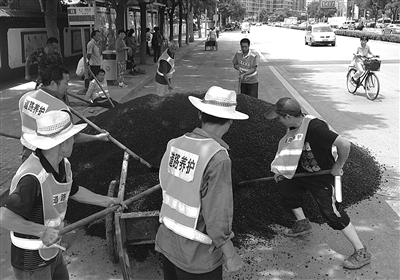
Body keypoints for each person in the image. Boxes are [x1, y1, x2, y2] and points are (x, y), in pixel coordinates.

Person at [0, 110, 126, 280]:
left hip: (52, 250)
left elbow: (74, 191)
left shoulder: (62, 164)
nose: (74, 141)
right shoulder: (32, 177)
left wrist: (108, 201)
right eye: (72, 137)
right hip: (31, 260)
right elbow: (5, 217)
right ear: (61, 143)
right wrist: (41, 231)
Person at [264, 97, 372, 270]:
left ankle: (361, 251)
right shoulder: (292, 126)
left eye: (279, 117)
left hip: (321, 178)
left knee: (332, 214)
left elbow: (344, 144)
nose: (278, 121)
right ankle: (303, 223)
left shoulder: (314, 127)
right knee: (285, 187)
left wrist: (338, 165)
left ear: (288, 116)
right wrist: (281, 170)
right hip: (300, 174)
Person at [155, 86, 247, 279]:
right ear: (230, 121)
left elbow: (166, 184)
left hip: (168, 241)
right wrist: (230, 254)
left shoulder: (174, 144)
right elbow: (217, 213)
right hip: (197, 255)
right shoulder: (218, 158)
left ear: (199, 114)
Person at [19, 65, 109, 162]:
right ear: (53, 84)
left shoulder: (25, 98)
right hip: (48, 157)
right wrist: (97, 137)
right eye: (66, 83)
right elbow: (73, 137)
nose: (67, 87)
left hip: (27, 154)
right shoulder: (59, 108)